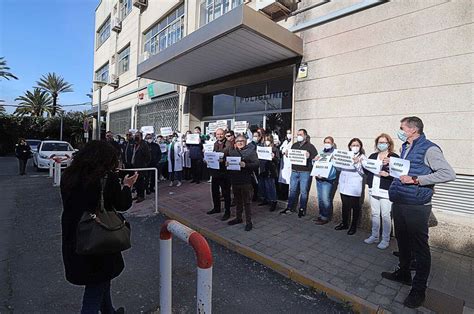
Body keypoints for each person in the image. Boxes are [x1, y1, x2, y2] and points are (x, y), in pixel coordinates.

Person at [382, 117, 455, 309]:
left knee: (420, 248)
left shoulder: (430, 148)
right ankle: (404, 273)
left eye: (402, 128)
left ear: (413, 130)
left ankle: (418, 290)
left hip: (416, 204)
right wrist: (392, 166)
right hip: (400, 201)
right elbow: (404, 171)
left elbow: (448, 173)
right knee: (403, 241)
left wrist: (416, 180)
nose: (399, 131)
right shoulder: (405, 147)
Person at [60, 141, 138, 313]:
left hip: (75, 235)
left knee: (100, 280)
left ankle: (109, 311)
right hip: (98, 236)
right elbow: (122, 204)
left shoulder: (69, 175)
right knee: (95, 289)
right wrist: (127, 186)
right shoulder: (105, 178)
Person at [362, 133, 399, 249]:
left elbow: (398, 174)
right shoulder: (373, 156)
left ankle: (386, 239)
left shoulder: (394, 157)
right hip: (374, 188)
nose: (381, 144)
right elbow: (367, 170)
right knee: (375, 213)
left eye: (384, 142)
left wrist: (388, 174)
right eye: (379, 142)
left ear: (389, 144)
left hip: (386, 190)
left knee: (385, 215)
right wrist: (361, 163)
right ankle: (374, 235)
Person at [280, 129, 318, 217]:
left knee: (304, 192)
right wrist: (287, 154)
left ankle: (302, 209)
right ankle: (290, 208)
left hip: (305, 172)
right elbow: (292, 155)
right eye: (297, 134)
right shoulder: (294, 145)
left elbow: (316, 158)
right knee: (292, 190)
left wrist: (310, 156)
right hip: (294, 171)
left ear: (305, 136)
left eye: (300, 134)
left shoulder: (310, 146)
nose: (299, 136)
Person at [226, 135, 259, 231]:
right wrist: (227, 164)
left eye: (242, 141)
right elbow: (228, 163)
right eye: (238, 141)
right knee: (237, 201)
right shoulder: (232, 151)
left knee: (247, 202)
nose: (240, 142)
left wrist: (246, 165)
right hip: (235, 179)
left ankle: (249, 222)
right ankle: (238, 218)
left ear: (245, 141)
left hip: (246, 180)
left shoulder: (251, 152)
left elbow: (256, 164)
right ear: (235, 142)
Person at [334, 138, 366, 235]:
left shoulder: (363, 157)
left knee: (355, 207)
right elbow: (339, 168)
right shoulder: (346, 155)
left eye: (357, 145)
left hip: (354, 186)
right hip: (344, 184)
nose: (355, 147)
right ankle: (344, 223)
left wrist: (357, 163)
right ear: (349, 146)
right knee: (345, 205)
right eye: (353, 145)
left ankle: (353, 226)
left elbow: (363, 171)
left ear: (360, 147)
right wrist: (335, 162)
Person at [206, 128, 233, 220]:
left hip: (225, 172)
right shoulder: (215, 144)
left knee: (226, 193)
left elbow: (229, 155)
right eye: (218, 134)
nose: (219, 136)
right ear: (215, 135)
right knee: (214, 191)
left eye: (221, 134)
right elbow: (213, 155)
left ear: (224, 134)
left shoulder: (229, 144)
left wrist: (222, 159)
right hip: (215, 172)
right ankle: (216, 208)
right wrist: (208, 159)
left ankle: (227, 211)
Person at [314, 136, 338, 225]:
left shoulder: (335, 153)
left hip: (328, 180)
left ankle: (325, 217)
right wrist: (314, 160)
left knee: (326, 199)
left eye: (329, 142)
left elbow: (335, 168)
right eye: (325, 142)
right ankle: (321, 215)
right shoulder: (321, 152)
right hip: (319, 178)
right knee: (320, 199)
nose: (327, 144)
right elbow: (315, 163)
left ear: (332, 143)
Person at [258, 134, 280, 212]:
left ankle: (273, 201)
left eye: (268, 140)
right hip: (263, 169)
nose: (266, 141)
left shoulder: (275, 149)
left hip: (271, 171)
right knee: (262, 186)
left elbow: (278, 161)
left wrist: (273, 157)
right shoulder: (262, 148)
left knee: (270, 186)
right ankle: (265, 199)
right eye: (265, 140)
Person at [131, 132, 151, 203]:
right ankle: (138, 194)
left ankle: (141, 196)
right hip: (134, 166)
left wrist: (144, 164)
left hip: (141, 167)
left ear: (141, 137)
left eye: (138, 136)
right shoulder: (135, 144)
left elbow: (148, 157)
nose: (136, 137)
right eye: (135, 135)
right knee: (136, 182)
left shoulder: (144, 145)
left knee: (141, 182)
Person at [278, 129, 292, 200]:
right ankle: (282, 195)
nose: (288, 135)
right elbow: (281, 148)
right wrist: (283, 151)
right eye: (287, 133)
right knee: (283, 180)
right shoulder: (285, 141)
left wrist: (288, 151)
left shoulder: (293, 142)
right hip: (284, 162)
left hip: (289, 163)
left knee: (288, 180)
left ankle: (286, 196)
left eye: (290, 133)